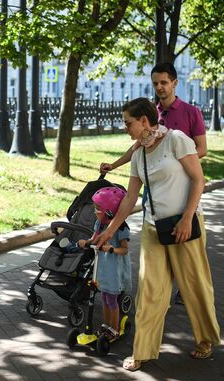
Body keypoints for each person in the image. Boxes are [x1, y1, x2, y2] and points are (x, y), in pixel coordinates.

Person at [93, 98, 220, 371]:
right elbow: (129, 199)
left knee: (195, 288)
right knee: (150, 292)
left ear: (144, 121)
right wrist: (109, 231)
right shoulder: (139, 154)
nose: (125, 127)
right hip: (153, 228)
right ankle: (143, 350)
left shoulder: (177, 140)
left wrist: (187, 219)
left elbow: (199, 180)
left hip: (185, 226)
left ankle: (206, 340)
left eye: (128, 122)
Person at [100, 62, 207, 305]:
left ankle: (183, 284)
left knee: (187, 245)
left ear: (174, 83)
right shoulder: (151, 113)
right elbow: (138, 148)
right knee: (158, 236)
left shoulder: (191, 113)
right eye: (155, 83)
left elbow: (201, 150)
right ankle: (161, 287)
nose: (159, 87)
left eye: (164, 82)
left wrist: (174, 161)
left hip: (184, 187)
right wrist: (115, 165)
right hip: (154, 187)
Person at [78, 187, 130, 340]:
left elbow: (125, 250)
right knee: (104, 299)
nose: (95, 212)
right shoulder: (99, 225)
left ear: (109, 211)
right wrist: (86, 242)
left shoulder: (121, 228)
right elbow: (94, 239)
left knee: (112, 300)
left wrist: (111, 249)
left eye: (98, 209)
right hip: (102, 269)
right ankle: (106, 326)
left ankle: (114, 329)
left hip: (114, 270)